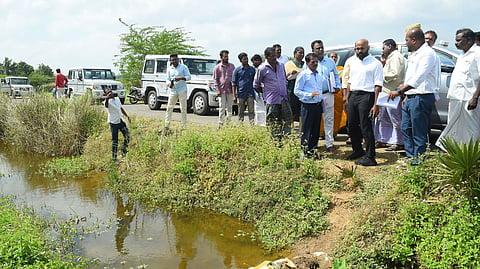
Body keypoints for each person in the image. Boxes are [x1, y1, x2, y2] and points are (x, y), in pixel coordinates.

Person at [388, 27, 439, 165]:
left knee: (418, 132)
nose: (406, 43)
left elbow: (419, 78)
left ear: (415, 40)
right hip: (411, 97)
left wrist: (399, 92)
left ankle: (418, 162)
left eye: (407, 40)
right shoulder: (415, 54)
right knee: (406, 129)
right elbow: (410, 78)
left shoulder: (428, 54)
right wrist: (405, 94)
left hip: (421, 97)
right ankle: (411, 159)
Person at [436, 28, 480, 150]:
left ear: (469, 40)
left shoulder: (477, 53)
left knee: (472, 128)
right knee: (454, 127)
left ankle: (472, 156)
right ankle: (456, 153)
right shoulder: (462, 55)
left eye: (458, 40)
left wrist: (475, 98)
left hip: (468, 98)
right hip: (456, 97)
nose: (456, 43)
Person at [344, 39, 383, 166]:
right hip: (353, 96)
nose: (359, 51)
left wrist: (375, 104)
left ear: (368, 48)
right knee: (351, 125)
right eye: (357, 49)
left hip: (367, 96)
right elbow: (350, 81)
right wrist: (347, 98)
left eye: (362, 48)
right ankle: (358, 150)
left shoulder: (375, 63)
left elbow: (378, 85)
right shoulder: (353, 62)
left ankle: (370, 156)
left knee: (365, 126)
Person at [253, 47, 292, 139]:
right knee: (273, 122)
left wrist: (286, 93)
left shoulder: (281, 65)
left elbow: (284, 81)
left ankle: (286, 140)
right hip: (271, 100)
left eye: (275, 55)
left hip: (283, 98)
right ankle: (275, 143)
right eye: (272, 56)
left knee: (287, 119)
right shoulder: (262, 68)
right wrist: (266, 94)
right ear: (266, 57)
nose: (275, 58)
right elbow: (256, 85)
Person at [311, 40, 341, 153]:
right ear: (313, 50)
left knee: (329, 119)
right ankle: (314, 144)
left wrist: (337, 86)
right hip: (315, 96)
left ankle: (329, 144)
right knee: (315, 120)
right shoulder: (309, 62)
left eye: (321, 47)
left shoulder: (330, 62)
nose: (320, 50)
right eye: (317, 48)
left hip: (328, 93)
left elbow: (336, 76)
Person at [375, 39, 406, 151]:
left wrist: (380, 76)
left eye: (384, 48)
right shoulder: (390, 57)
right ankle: (384, 140)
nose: (383, 50)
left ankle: (399, 142)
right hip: (385, 92)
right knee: (384, 118)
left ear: (390, 46)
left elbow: (395, 74)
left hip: (393, 92)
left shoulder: (396, 57)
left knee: (395, 118)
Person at [294, 53, 324, 159]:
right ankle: (305, 152)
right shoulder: (303, 75)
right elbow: (296, 91)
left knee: (316, 130)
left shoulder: (319, 75)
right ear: (307, 63)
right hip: (307, 105)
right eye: (312, 62)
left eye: (316, 62)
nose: (315, 64)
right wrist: (309, 95)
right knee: (307, 130)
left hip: (317, 105)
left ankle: (313, 151)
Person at [160, 54, 191, 134]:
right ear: (170, 61)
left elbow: (188, 77)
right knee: (169, 108)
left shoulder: (183, 67)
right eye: (172, 60)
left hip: (182, 90)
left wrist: (180, 78)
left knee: (183, 108)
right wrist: (169, 84)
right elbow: (167, 79)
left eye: (175, 59)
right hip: (173, 91)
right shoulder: (169, 69)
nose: (173, 61)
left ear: (178, 59)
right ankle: (166, 126)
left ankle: (183, 126)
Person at [104, 87, 130, 162]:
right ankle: (114, 157)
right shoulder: (107, 101)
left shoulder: (117, 99)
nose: (110, 93)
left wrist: (127, 116)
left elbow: (121, 108)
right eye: (108, 93)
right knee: (115, 141)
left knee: (127, 136)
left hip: (120, 120)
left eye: (110, 92)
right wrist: (107, 98)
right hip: (113, 123)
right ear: (106, 94)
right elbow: (106, 106)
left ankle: (124, 151)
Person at [213, 50, 235, 127]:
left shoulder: (232, 66)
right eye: (225, 56)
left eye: (227, 56)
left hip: (230, 90)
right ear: (221, 57)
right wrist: (217, 90)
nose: (226, 58)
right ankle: (220, 123)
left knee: (230, 107)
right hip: (221, 90)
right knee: (222, 107)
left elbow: (234, 78)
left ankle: (228, 123)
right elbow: (215, 80)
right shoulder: (217, 67)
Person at [232, 52, 256, 123]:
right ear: (240, 60)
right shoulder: (237, 70)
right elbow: (234, 83)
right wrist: (234, 95)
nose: (246, 60)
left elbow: (255, 81)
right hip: (241, 93)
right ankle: (240, 125)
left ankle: (252, 124)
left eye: (247, 58)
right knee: (241, 111)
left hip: (250, 93)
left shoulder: (252, 69)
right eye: (244, 59)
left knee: (251, 110)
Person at [284, 46, 305, 126]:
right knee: (292, 110)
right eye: (300, 52)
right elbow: (284, 77)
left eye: (303, 53)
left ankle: (302, 129)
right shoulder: (288, 64)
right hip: (291, 90)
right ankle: (291, 129)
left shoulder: (305, 64)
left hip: (303, 90)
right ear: (295, 53)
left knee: (301, 111)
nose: (301, 54)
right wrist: (290, 73)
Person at [425, 30, 441, 102]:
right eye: (426, 38)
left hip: (426, 92)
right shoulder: (416, 54)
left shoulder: (434, 56)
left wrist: (435, 93)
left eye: (430, 39)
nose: (427, 41)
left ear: (434, 42)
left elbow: (437, 76)